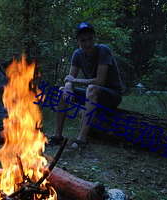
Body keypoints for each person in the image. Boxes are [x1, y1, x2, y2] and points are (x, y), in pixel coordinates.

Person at [48, 21, 124, 149]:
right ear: (78, 41)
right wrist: (67, 86)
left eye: (90, 39)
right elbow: (69, 79)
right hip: (93, 94)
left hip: (112, 95)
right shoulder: (77, 54)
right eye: (83, 40)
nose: (87, 43)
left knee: (92, 88)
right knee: (62, 91)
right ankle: (57, 136)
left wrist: (73, 81)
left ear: (94, 37)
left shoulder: (103, 50)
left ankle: (82, 138)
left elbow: (100, 81)